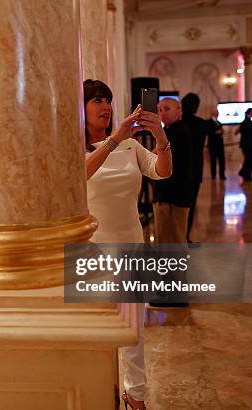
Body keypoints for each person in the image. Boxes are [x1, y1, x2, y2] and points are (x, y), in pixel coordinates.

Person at [84, 79, 172, 410]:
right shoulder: (75, 147)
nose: (105, 106)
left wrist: (161, 136)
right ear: (82, 108)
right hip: (93, 250)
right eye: (96, 101)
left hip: (131, 246)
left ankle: (136, 394)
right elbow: (79, 176)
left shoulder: (132, 146)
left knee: (133, 330)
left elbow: (162, 171)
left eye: (107, 100)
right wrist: (112, 139)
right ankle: (98, 391)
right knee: (98, 330)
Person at [153, 98, 193, 244]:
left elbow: (159, 155)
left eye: (167, 108)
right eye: (160, 110)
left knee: (173, 239)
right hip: (168, 193)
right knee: (166, 239)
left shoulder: (179, 131)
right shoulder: (167, 130)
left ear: (179, 111)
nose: (162, 113)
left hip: (174, 196)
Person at [181, 93, 209, 245]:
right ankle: (185, 237)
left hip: (178, 169)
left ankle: (178, 237)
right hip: (195, 169)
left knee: (178, 205)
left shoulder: (178, 123)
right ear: (196, 107)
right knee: (190, 205)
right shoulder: (202, 124)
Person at [207, 109, 226, 180]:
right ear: (213, 113)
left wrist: (221, 131)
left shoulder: (219, 122)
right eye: (217, 112)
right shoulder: (208, 122)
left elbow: (220, 131)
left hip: (220, 144)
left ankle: (222, 175)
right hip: (213, 144)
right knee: (213, 160)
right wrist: (216, 132)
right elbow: (208, 132)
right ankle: (213, 175)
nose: (218, 113)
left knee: (222, 160)